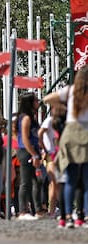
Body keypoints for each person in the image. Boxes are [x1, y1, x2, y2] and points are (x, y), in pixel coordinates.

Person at [44, 65, 88, 228]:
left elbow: (47, 99)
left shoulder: (70, 91)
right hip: (86, 131)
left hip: (70, 132)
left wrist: (63, 106)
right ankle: (84, 216)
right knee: (86, 179)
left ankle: (68, 215)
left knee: (70, 178)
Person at [15, 92, 43, 221]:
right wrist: (34, 155)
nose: (38, 103)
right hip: (27, 151)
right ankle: (22, 211)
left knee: (36, 181)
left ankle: (37, 210)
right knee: (25, 182)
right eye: (36, 101)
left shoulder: (32, 117)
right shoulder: (25, 118)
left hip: (33, 150)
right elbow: (25, 138)